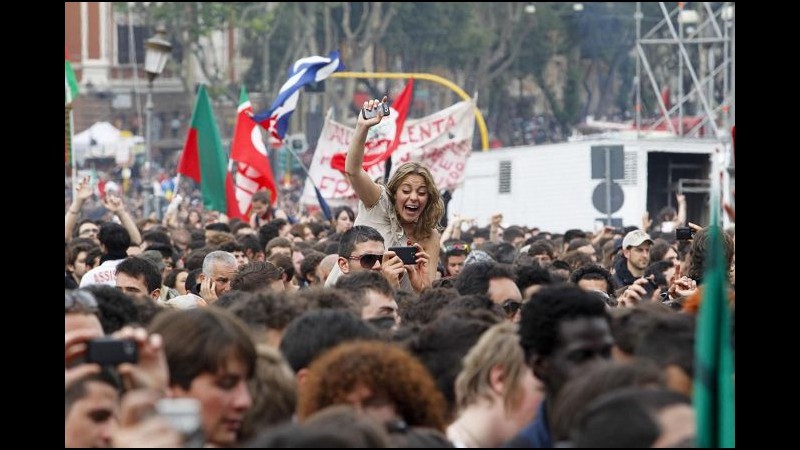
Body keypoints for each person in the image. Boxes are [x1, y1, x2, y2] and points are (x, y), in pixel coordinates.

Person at [335, 96, 444, 287]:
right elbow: (353, 170)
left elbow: (426, 289)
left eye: (421, 192)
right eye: (406, 190)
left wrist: (421, 286)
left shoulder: (430, 235)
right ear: (394, 192)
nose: (413, 197)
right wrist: (362, 128)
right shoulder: (377, 202)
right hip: (348, 299)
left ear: (429, 198)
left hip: (397, 307)